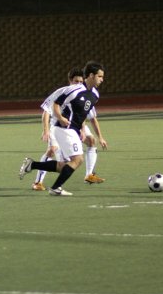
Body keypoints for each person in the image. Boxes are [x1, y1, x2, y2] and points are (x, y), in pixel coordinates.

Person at [19, 61, 105, 196]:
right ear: (91, 75)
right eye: (100, 76)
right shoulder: (74, 90)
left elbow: (83, 114)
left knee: (63, 165)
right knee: (78, 159)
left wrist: (83, 129)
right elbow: (55, 103)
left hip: (74, 130)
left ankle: (32, 165)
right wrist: (60, 117)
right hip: (64, 129)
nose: (102, 79)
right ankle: (55, 188)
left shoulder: (95, 94)